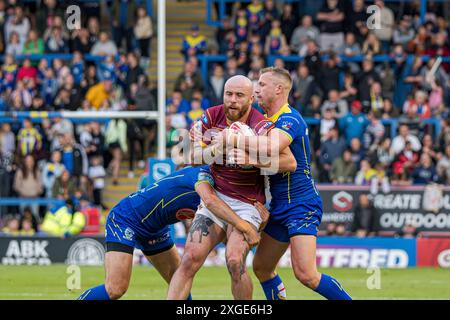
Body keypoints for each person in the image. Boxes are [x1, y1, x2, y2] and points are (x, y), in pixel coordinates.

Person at [167, 75, 296, 300]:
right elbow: (180, 155)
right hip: (217, 198)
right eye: (229, 94)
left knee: (235, 261)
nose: (233, 100)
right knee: (189, 259)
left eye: (239, 95)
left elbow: (289, 162)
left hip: (248, 205)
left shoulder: (261, 125)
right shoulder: (210, 116)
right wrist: (218, 150)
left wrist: (252, 159)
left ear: (250, 99)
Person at [232, 67, 352, 300]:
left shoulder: (289, 118)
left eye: (262, 84)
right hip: (279, 206)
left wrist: (236, 140)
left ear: (279, 89)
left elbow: (271, 148)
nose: (256, 89)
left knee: (306, 274)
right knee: (262, 268)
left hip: (301, 203)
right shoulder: (265, 121)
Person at [78, 166, 262, 300]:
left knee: (181, 281)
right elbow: (212, 205)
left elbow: (224, 235)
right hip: (126, 218)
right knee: (116, 289)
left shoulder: (226, 190)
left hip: (155, 229)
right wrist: (247, 228)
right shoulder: (206, 180)